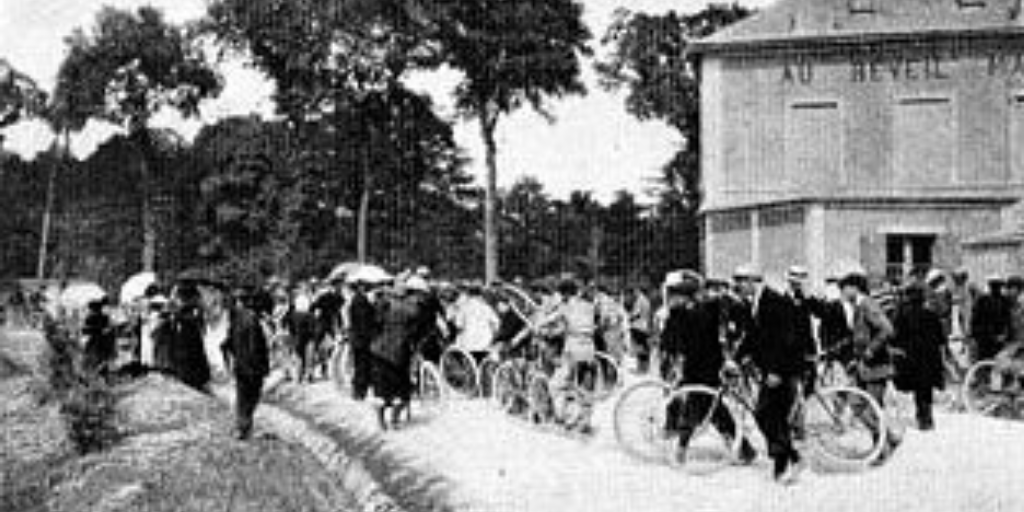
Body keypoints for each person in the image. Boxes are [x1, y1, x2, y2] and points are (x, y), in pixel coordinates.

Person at [661, 270, 756, 466]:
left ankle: (683, 448)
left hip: (705, 367)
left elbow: (729, 308)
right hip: (698, 368)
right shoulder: (687, 312)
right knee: (709, 408)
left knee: (705, 407)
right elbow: (674, 340)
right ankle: (743, 449)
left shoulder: (704, 309)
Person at [733, 265, 804, 483]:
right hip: (769, 369)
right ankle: (790, 456)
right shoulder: (751, 304)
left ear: (753, 281)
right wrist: (734, 359)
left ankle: (783, 464)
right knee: (766, 414)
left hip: (782, 369)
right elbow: (751, 337)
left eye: (741, 281)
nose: (737, 286)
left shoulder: (775, 302)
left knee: (770, 413)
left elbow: (787, 339)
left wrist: (776, 371)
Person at [839, 271, 900, 462]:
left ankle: (881, 449)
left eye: (844, 288)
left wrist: (870, 351)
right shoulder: (858, 306)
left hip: (876, 366)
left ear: (854, 288)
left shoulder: (867, 304)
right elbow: (858, 336)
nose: (842, 292)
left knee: (871, 408)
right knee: (857, 405)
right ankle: (888, 439)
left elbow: (887, 329)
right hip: (864, 367)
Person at [540, 278, 598, 433]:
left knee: (556, 384)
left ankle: (563, 417)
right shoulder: (589, 306)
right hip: (590, 349)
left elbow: (547, 321)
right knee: (586, 388)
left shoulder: (565, 307)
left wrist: (540, 325)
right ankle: (585, 421)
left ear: (564, 294)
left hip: (573, 350)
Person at [892, 282, 945, 431]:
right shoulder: (932, 315)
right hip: (929, 358)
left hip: (911, 358)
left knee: (916, 387)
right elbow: (941, 339)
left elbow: (895, 338)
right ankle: (926, 417)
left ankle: (921, 416)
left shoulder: (902, 317)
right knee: (926, 389)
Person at [369, 281, 420, 430]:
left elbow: (375, 324)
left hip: (380, 351)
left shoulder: (382, 306)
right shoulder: (410, 309)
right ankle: (395, 420)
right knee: (401, 390)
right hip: (400, 352)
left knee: (381, 390)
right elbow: (414, 329)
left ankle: (381, 421)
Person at [222, 287, 271, 440]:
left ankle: (242, 428)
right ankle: (245, 428)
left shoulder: (234, 320)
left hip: (240, 366)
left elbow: (225, 344)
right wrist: (260, 365)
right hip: (253, 366)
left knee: (242, 397)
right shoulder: (251, 318)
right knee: (252, 397)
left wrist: (229, 363)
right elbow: (255, 345)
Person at [971, 276, 1010, 362]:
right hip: (985, 340)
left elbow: (1007, 320)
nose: (996, 288)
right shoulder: (982, 300)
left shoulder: (1004, 300)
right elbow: (975, 320)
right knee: (985, 363)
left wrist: (1004, 334)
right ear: (990, 286)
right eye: (994, 285)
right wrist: (976, 337)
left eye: (998, 286)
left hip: (998, 340)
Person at [82, 297, 116, 376]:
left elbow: (85, 330)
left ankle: (97, 371)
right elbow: (109, 328)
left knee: (97, 357)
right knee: (101, 357)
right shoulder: (103, 317)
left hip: (98, 340)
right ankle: (100, 371)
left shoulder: (91, 318)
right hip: (101, 340)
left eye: (92, 309)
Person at [626, 285, 653, 374]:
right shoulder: (646, 300)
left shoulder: (640, 300)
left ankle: (641, 368)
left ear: (638, 291)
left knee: (640, 348)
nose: (633, 294)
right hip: (643, 327)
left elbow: (637, 314)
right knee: (643, 347)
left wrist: (630, 318)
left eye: (634, 292)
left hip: (638, 327)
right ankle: (644, 368)